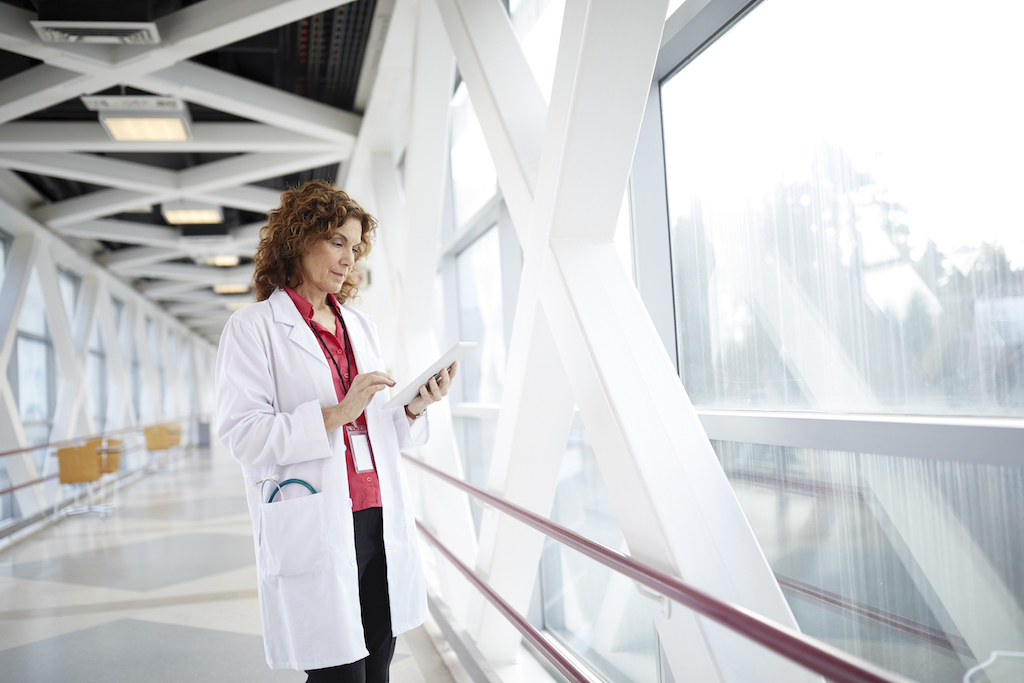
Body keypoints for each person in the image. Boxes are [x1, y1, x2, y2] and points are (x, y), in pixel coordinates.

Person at [216, 179, 456, 682]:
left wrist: (411, 409)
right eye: (337, 242)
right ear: (300, 240)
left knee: (378, 669)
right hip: (316, 522)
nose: (349, 258)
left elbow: (371, 427)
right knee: (338, 675)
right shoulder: (253, 327)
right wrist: (335, 414)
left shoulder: (359, 326)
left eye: (355, 246)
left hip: (376, 519)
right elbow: (243, 435)